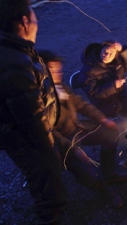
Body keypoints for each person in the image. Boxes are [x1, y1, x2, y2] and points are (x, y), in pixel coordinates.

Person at [0, 0, 67, 224]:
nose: (38, 25)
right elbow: (30, 114)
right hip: (29, 142)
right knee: (48, 190)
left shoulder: (15, 50)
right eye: (36, 20)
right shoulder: (13, 61)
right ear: (25, 22)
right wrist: (49, 148)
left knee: (46, 183)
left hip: (27, 137)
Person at [38, 49, 127, 208]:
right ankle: (103, 190)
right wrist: (73, 149)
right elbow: (47, 131)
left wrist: (102, 118)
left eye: (58, 68)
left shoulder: (61, 87)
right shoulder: (39, 97)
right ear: (41, 71)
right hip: (59, 142)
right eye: (51, 69)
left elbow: (81, 104)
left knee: (112, 132)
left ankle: (109, 173)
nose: (57, 73)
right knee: (85, 167)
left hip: (76, 128)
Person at [78, 40, 127, 132]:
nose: (106, 55)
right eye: (105, 52)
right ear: (101, 50)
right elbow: (93, 92)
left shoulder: (117, 62)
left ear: (115, 56)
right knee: (118, 123)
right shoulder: (88, 69)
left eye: (111, 54)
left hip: (121, 94)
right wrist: (113, 86)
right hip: (103, 101)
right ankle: (123, 139)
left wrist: (122, 49)